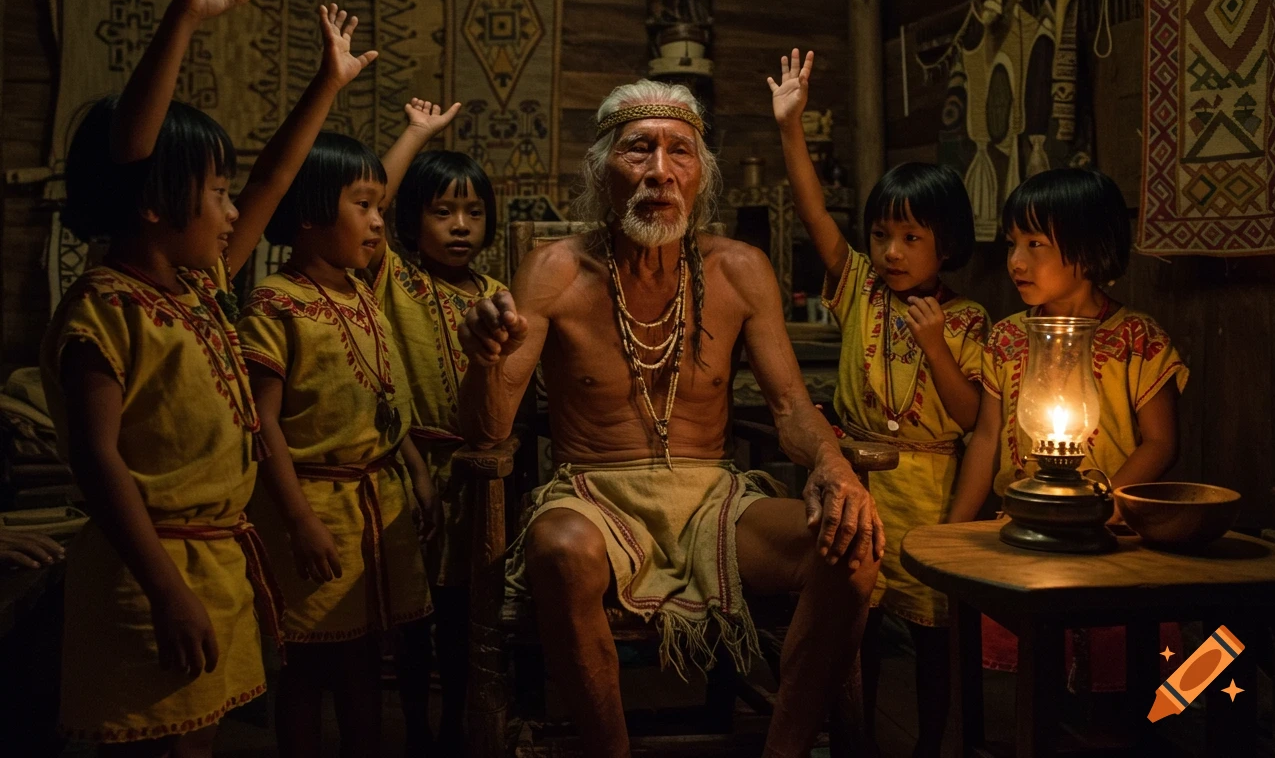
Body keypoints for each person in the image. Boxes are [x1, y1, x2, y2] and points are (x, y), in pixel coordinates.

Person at [458, 78, 885, 758]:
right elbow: (488, 430)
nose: (659, 171)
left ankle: (785, 751)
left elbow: (789, 409)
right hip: (595, 499)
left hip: (712, 500)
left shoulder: (741, 271)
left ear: (701, 176)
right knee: (560, 550)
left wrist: (832, 466)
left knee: (851, 548)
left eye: (679, 152)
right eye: (638, 150)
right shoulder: (554, 272)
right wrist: (484, 358)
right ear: (602, 171)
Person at [40, 0, 368, 755]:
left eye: (228, 193)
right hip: (146, 575)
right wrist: (165, 589)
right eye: (213, 192)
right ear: (153, 205)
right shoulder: (102, 311)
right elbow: (97, 460)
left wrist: (327, 85)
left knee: (198, 742)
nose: (233, 212)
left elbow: (274, 178)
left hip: (213, 565)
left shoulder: (198, 286)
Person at [770, 49, 988, 758]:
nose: (890, 252)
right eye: (880, 235)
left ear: (946, 245)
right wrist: (791, 128)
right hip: (858, 481)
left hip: (929, 487)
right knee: (853, 625)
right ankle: (855, 738)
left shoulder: (968, 321)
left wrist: (934, 347)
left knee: (933, 636)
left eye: (910, 238)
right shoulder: (858, 285)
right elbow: (811, 212)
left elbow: (966, 417)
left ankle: (931, 745)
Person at [948, 166, 1188, 689]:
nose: (1016, 261)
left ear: (1090, 249)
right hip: (1022, 531)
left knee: (1118, 675)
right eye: (1013, 243)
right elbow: (986, 438)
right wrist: (951, 536)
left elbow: (1162, 442)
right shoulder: (1009, 338)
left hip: (1111, 539)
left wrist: (1099, 506)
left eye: (1036, 244)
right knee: (1036, 680)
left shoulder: (1136, 339)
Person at [238, 126, 436, 758]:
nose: (378, 223)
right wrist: (298, 522)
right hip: (318, 510)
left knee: (362, 664)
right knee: (306, 669)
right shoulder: (276, 302)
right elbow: (261, 422)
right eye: (362, 206)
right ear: (310, 213)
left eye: (382, 208)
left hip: (377, 503)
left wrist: (416, 471)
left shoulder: (360, 287)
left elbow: (386, 405)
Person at [363, 102, 506, 754]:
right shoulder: (394, 278)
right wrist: (417, 134)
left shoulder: (498, 291)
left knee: (463, 617)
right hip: (409, 470)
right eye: (442, 212)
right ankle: (416, 728)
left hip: (477, 478)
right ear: (409, 218)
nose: (458, 226)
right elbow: (372, 204)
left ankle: (456, 728)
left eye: (473, 213)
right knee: (412, 617)